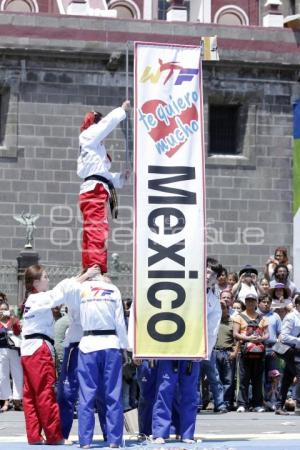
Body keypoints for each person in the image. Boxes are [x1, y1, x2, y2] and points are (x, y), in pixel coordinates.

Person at [21, 264, 94, 445]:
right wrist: (84, 277)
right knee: (45, 393)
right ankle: (54, 436)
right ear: (36, 282)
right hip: (39, 348)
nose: (48, 279)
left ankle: (34, 436)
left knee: (31, 395)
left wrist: (79, 276)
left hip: (28, 349)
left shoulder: (32, 300)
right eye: (45, 277)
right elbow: (61, 291)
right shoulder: (39, 298)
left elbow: (61, 289)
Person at [77, 100, 131, 274]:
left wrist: (121, 177)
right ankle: (95, 267)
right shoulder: (88, 135)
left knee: (91, 230)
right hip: (95, 190)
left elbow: (103, 174)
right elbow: (107, 124)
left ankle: (89, 266)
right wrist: (121, 111)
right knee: (96, 229)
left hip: (95, 188)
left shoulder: (93, 148)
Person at [233, 293, 269, 413]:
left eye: (253, 301)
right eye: (248, 301)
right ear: (245, 302)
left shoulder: (262, 317)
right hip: (244, 353)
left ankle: (257, 404)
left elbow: (267, 334)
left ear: (256, 303)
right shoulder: (239, 317)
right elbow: (235, 334)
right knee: (243, 379)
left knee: (258, 380)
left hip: (259, 353)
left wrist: (260, 339)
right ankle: (242, 404)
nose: (250, 303)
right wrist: (249, 339)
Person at [275, 295, 300, 415]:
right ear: (298, 305)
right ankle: (298, 403)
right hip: (292, 352)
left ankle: (279, 405)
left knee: (287, 379)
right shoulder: (291, 317)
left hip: (297, 352)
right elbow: (284, 336)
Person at [257, 294, 282, 410]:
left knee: (272, 376)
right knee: (258, 376)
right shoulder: (255, 315)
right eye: (263, 302)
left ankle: (272, 400)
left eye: (268, 302)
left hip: (272, 349)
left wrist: (277, 349)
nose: (266, 304)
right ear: (259, 303)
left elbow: (280, 334)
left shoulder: (275, 316)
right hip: (257, 349)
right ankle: (258, 401)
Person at [214, 300, 238, 411]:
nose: (221, 310)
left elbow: (237, 339)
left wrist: (235, 352)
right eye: (219, 307)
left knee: (228, 380)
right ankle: (218, 402)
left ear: (228, 309)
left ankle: (227, 402)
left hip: (228, 352)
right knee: (216, 379)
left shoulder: (233, 322)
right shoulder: (214, 321)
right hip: (214, 352)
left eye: (223, 307)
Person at [0, 301, 23, 412]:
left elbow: (18, 332)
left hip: (14, 350)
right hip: (1, 350)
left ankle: (17, 400)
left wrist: (13, 319)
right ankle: (6, 401)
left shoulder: (13, 319)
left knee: (17, 375)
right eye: (1, 309)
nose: (3, 311)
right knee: (2, 376)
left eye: (5, 309)